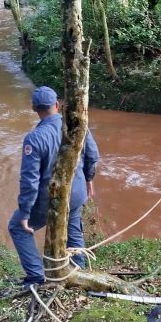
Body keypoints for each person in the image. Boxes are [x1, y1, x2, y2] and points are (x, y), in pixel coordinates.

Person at [8, 86, 99, 286]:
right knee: (72, 225)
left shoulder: (34, 138)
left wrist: (25, 213)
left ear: (34, 109)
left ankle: (37, 276)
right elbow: (93, 155)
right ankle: (78, 271)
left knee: (17, 227)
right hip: (76, 191)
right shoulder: (77, 126)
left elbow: (29, 180)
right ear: (57, 104)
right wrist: (89, 180)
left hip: (50, 198)